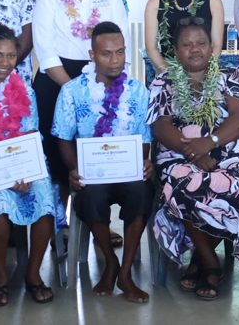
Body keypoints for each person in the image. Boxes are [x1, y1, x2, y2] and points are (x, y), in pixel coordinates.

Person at [148, 18, 239, 301]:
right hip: (179, 155)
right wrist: (192, 153)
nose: (194, 50)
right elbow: (160, 126)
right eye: (187, 44)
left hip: (230, 154)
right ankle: (210, 262)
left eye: (201, 44)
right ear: (175, 50)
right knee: (183, 181)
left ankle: (199, 257)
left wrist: (209, 143)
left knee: (234, 184)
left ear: (211, 48)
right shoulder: (164, 80)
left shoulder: (231, 74)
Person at [0, 23, 66, 306]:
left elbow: (31, 135)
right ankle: (1, 278)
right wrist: (8, 172)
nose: (5, 62)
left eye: (10, 56)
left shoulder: (25, 90)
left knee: (45, 194)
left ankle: (33, 275)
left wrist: (27, 170)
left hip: (24, 159)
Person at [52, 22, 153, 304]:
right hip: (93, 174)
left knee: (142, 191)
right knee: (91, 195)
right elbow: (63, 137)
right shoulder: (72, 91)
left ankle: (125, 273)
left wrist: (144, 162)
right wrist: (74, 169)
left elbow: (145, 135)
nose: (115, 60)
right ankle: (110, 262)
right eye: (107, 53)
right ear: (92, 55)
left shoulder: (137, 91)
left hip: (127, 171)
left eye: (120, 52)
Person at [33, 0, 128, 202]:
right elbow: (45, 49)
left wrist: (101, 86)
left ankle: (95, 218)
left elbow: (122, 42)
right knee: (57, 153)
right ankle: (59, 225)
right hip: (56, 80)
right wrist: (73, 91)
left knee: (97, 146)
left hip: (102, 79)